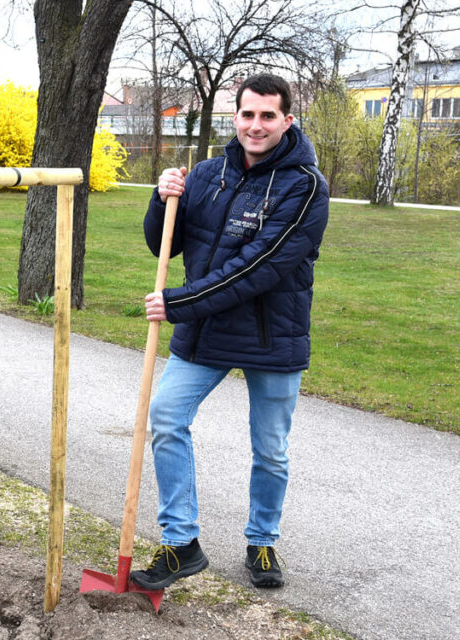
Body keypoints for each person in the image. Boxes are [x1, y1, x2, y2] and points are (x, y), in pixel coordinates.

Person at [129, 74, 329, 591]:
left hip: (272, 336)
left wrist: (180, 303)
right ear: (234, 117)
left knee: (270, 449)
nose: (255, 125)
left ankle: (262, 542)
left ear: (287, 120)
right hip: (207, 330)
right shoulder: (206, 175)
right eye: (247, 114)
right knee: (166, 418)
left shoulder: (305, 186)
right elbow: (163, 246)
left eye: (268, 116)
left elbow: (259, 266)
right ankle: (181, 543)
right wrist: (161, 199)